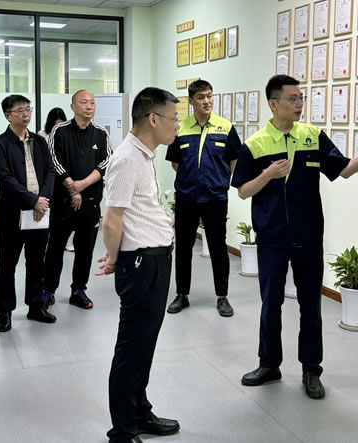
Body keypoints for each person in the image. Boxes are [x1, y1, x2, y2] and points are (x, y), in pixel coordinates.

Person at [231, 75, 358, 399]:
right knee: (270, 306)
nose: (299, 104)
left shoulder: (312, 136)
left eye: (301, 98)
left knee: (310, 307)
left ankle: (311, 370)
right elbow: (243, 191)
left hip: (308, 238)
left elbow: (345, 169)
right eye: (292, 99)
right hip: (271, 240)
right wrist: (267, 174)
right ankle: (269, 364)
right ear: (273, 104)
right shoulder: (255, 144)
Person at [96, 87, 181, 443]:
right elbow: (111, 218)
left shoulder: (145, 156)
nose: (177, 125)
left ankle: (139, 412)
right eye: (174, 118)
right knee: (132, 349)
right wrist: (115, 258)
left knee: (145, 345)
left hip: (155, 260)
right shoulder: (128, 158)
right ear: (153, 118)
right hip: (141, 263)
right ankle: (122, 430)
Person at [165, 79, 242, 317]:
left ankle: (222, 296)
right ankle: (182, 294)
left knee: (218, 248)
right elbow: (176, 163)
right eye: (201, 97)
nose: (207, 101)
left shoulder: (225, 127)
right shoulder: (180, 128)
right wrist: (192, 179)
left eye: (209, 96)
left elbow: (234, 160)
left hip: (215, 198)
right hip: (186, 198)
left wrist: (218, 180)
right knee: (183, 248)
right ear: (191, 101)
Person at [0, 94, 56, 330]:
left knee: (37, 261)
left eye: (28, 109)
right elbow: (4, 179)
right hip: (12, 214)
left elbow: (50, 171)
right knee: (8, 264)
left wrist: (43, 200)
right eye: (20, 110)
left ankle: (35, 306)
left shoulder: (39, 141)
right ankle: (5, 311)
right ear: (7, 115)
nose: (26, 114)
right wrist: (33, 201)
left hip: (40, 212)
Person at [43, 90, 111, 310]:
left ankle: (78, 290)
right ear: (73, 107)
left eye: (92, 102)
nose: (89, 106)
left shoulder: (101, 133)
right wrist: (72, 188)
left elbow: (106, 162)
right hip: (63, 202)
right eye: (83, 102)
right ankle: (48, 290)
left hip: (90, 202)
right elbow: (53, 160)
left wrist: (82, 185)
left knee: (85, 251)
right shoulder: (59, 131)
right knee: (55, 249)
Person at [39, 107, 75, 253]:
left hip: (63, 177)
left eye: (60, 123)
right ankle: (46, 239)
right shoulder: (42, 135)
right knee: (48, 208)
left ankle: (65, 241)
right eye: (55, 124)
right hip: (47, 177)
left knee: (64, 212)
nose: (58, 127)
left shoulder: (68, 134)